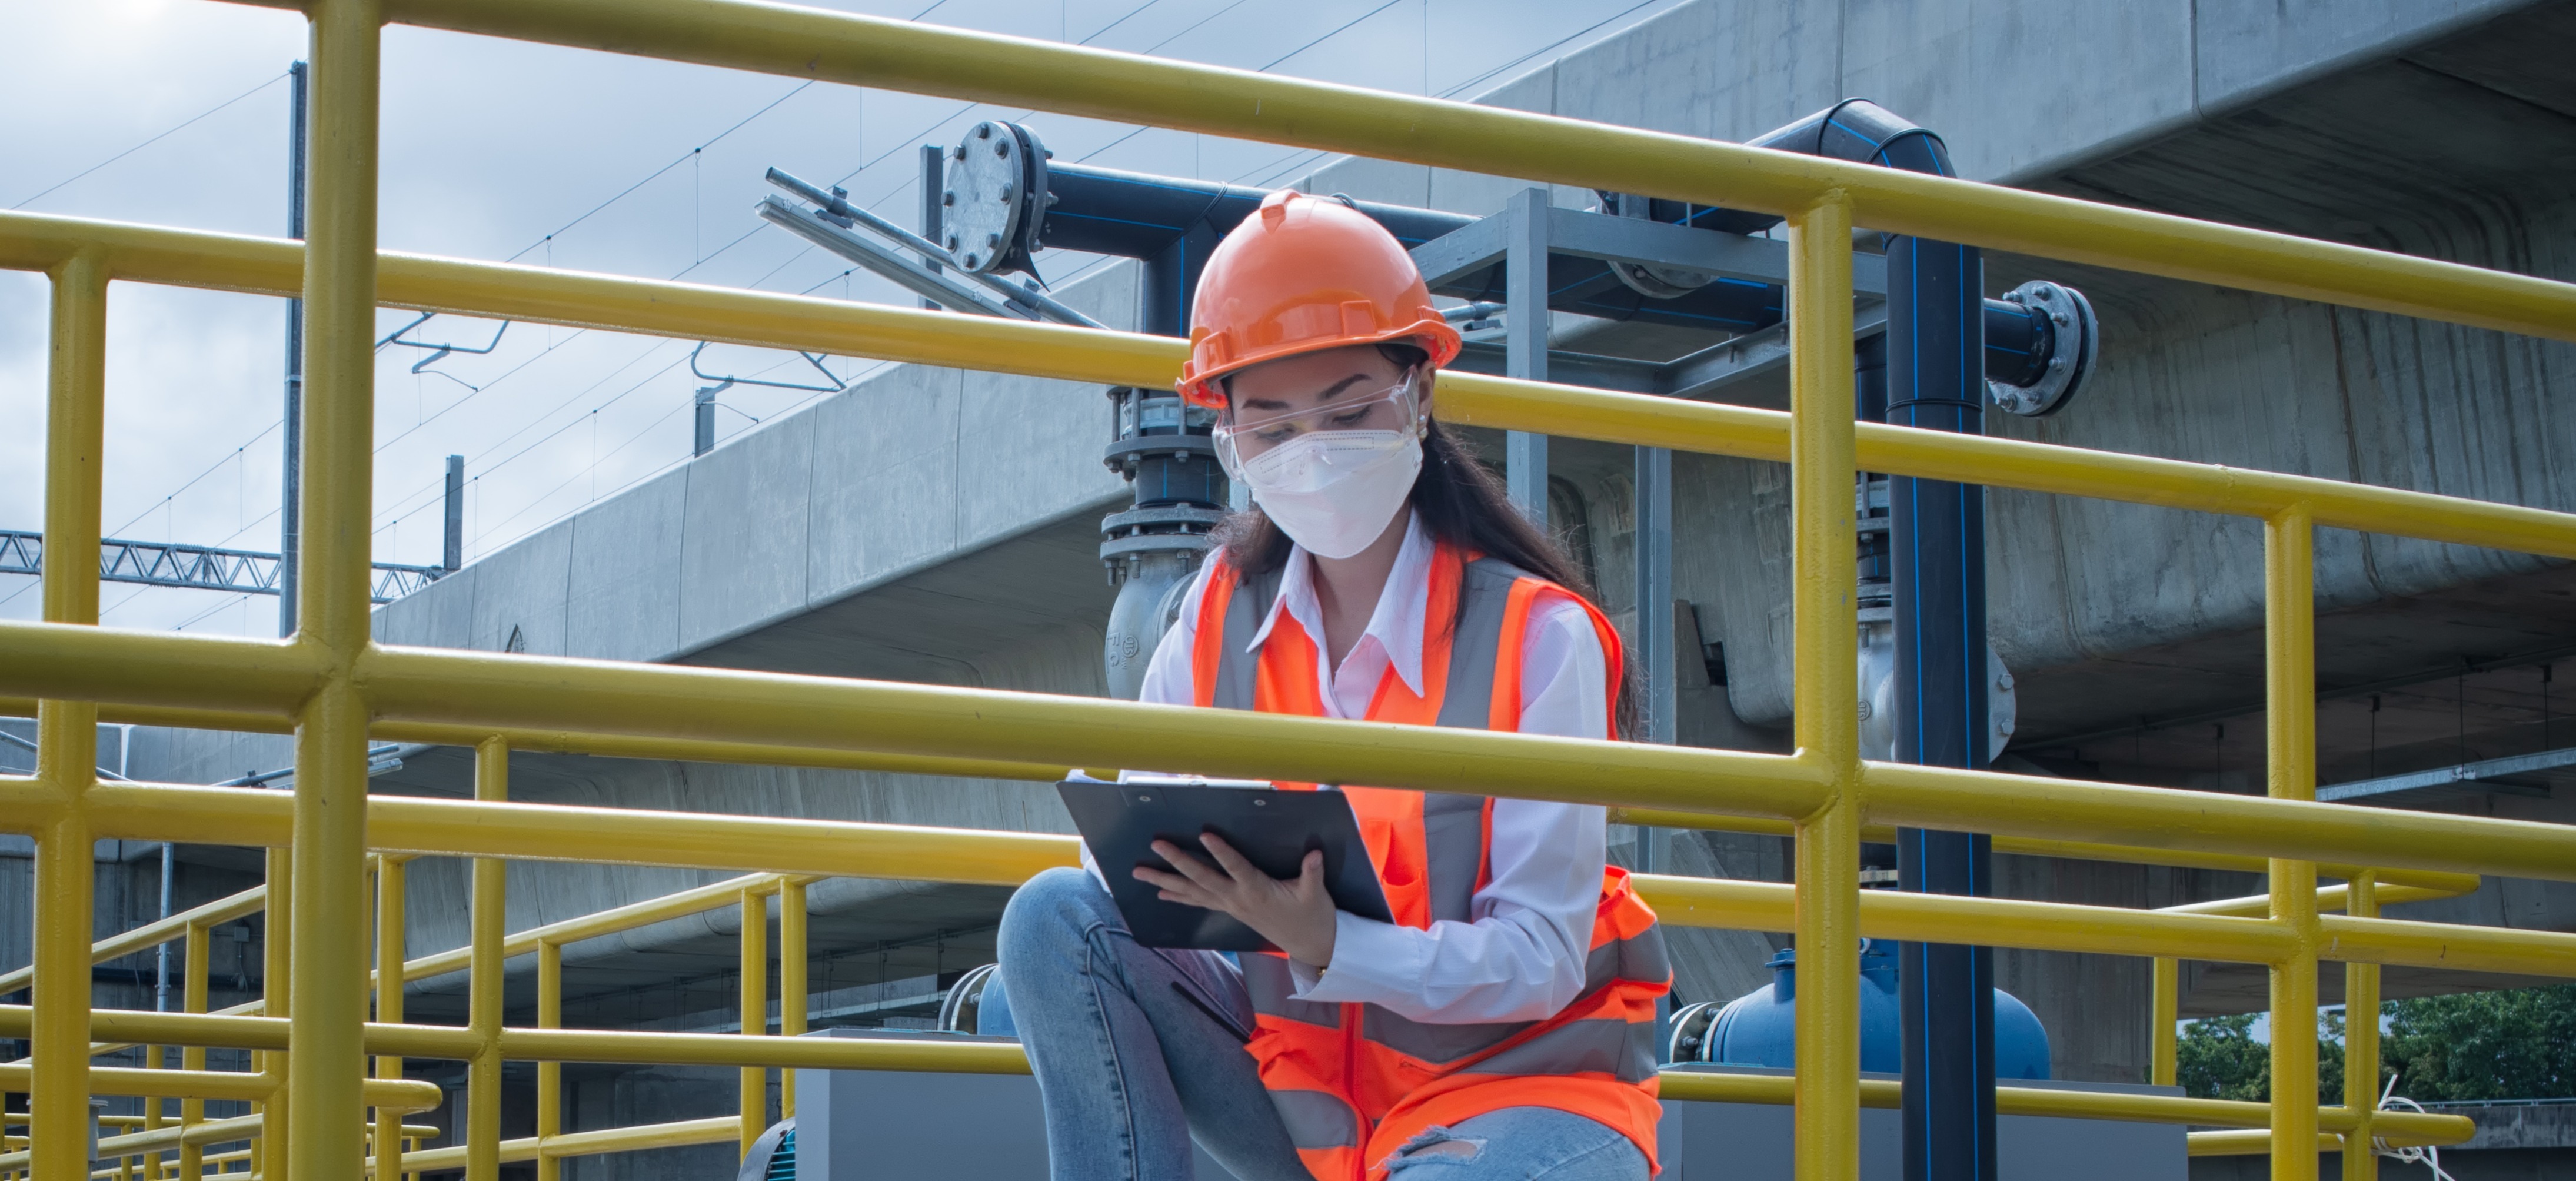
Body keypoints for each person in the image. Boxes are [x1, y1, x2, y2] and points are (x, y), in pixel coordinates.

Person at [997, 190, 1669, 1181]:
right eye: (1272, 425)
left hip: (1520, 1089)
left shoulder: (1538, 636)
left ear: (1419, 394)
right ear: (1229, 440)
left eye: (1349, 410)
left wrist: (1328, 938)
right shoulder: (1215, 617)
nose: (1311, 449)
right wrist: (1173, 875)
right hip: (1305, 1099)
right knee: (1053, 917)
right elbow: (1125, 880)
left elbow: (1539, 961)